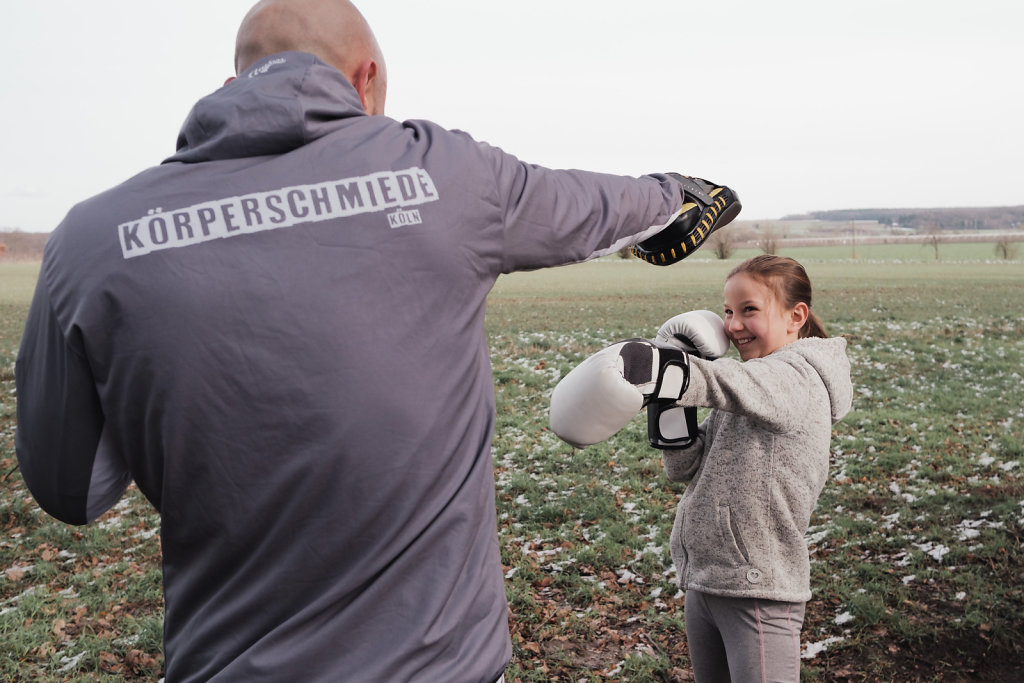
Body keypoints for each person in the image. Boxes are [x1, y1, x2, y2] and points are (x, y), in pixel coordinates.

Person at [13, 1, 741, 681]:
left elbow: (72, 489)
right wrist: (675, 192)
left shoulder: (92, 239)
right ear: (366, 80)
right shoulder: (438, 174)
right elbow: (596, 205)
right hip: (437, 662)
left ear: (231, 85)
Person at [549, 255, 852, 681]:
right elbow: (685, 465)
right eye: (728, 311)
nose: (733, 325)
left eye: (749, 309)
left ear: (795, 315)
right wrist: (669, 405)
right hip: (707, 582)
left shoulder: (799, 378)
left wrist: (659, 368)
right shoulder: (751, 387)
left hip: (758, 590)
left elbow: (726, 382)